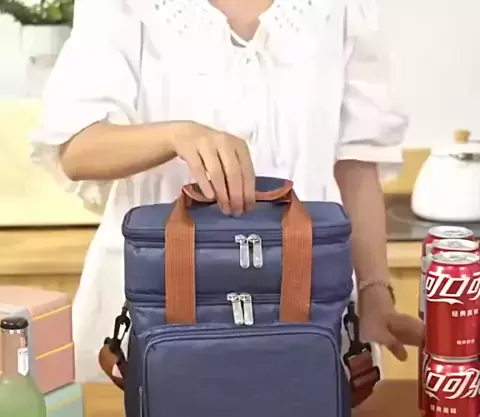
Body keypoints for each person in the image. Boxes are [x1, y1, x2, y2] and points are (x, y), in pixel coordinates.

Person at [31, 0, 423, 383]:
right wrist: (177, 135)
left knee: (306, 413)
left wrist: (375, 292)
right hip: (152, 300)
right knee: (146, 416)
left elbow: (356, 163)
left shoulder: (343, 8)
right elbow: (77, 150)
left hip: (309, 300)